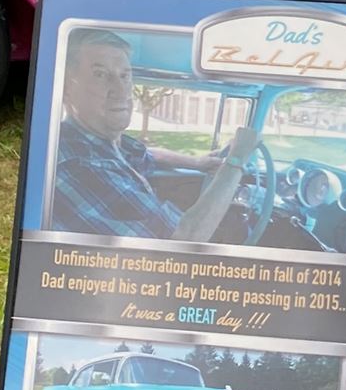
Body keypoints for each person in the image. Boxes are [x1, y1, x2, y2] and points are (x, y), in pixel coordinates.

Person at [48, 29, 259, 243]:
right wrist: (236, 160)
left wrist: (198, 162)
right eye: (100, 74)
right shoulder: (75, 165)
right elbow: (183, 240)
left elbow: (149, 155)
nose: (121, 90)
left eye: (125, 76)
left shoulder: (104, 146)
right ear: (65, 88)